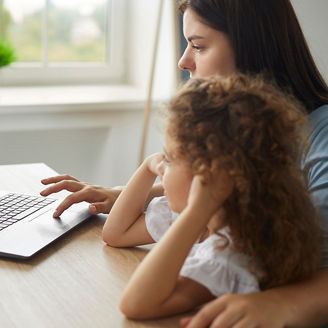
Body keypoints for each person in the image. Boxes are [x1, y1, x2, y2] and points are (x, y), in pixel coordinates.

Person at [40, 0, 328, 326]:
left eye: (198, 45)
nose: (183, 61)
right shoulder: (233, 138)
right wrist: (135, 192)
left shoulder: (322, 139)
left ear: (252, 46)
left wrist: (286, 302)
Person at [102, 73, 322, 319]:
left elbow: (134, 305)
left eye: (169, 159)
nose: (161, 167)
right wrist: (146, 167)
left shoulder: (232, 252)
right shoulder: (194, 220)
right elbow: (115, 234)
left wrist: (197, 211)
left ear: (209, 178)